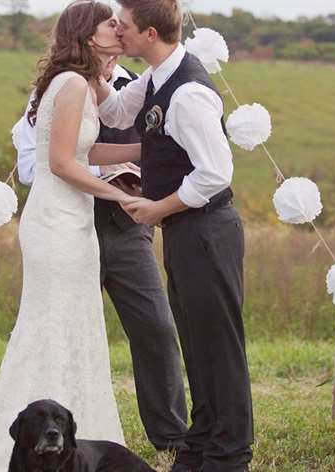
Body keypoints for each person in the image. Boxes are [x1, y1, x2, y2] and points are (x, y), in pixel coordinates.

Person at [0, 3, 142, 470]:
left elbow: (84, 146)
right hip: (56, 220)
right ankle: (40, 435)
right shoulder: (69, 84)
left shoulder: (80, 83)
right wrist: (121, 196)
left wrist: (148, 149)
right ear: (87, 34)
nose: (118, 30)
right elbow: (63, 163)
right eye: (110, 24)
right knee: (52, 325)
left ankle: (68, 438)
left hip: (73, 218)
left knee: (74, 324)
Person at [96, 0, 254, 471]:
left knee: (219, 346)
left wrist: (155, 209)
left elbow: (215, 174)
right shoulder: (157, 77)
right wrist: (94, 66)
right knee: (195, 339)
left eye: (122, 27)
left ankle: (230, 454)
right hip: (186, 232)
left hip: (208, 231)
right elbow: (119, 108)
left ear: (148, 33)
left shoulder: (186, 93)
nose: (117, 33)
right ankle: (202, 442)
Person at [12, 56, 188, 453]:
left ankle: (172, 437)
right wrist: (99, 173)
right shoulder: (53, 91)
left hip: (127, 231)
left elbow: (158, 155)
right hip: (70, 228)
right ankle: (50, 435)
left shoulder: (141, 92)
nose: (112, 53)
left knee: (156, 328)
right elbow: (31, 164)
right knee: (64, 332)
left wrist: (143, 179)